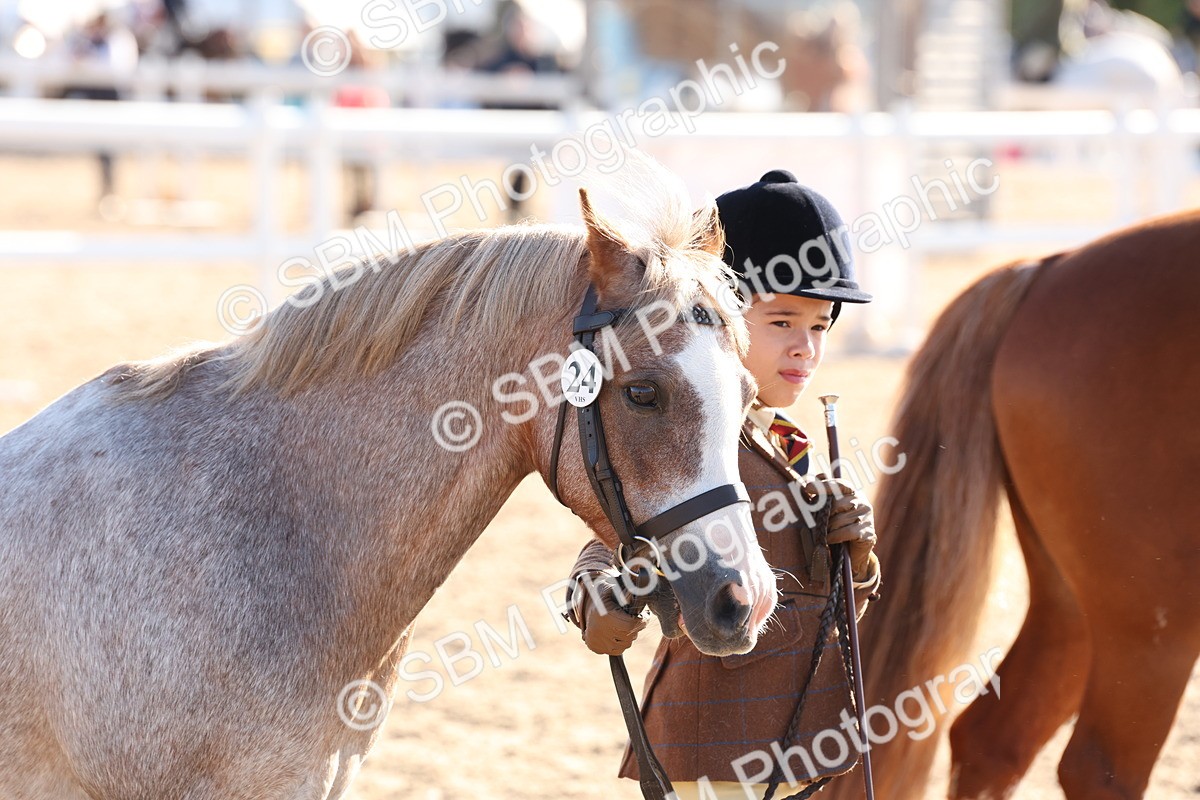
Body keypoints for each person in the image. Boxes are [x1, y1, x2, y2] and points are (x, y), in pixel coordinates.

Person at [564, 170, 882, 800]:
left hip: (805, 743)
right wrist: (597, 597)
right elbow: (620, 536)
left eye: (819, 326)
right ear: (724, 324)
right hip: (715, 746)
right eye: (783, 322)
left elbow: (834, 608)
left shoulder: (789, 442)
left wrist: (859, 555)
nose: (805, 348)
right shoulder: (701, 444)